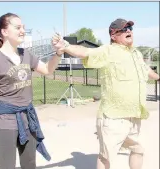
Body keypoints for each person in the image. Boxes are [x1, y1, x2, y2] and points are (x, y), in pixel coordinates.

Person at [52, 18, 160, 169]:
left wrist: (158, 77)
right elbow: (86, 52)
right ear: (113, 35)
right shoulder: (107, 51)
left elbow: (145, 69)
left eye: (130, 28)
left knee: (138, 149)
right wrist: (65, 46)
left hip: (135, 114)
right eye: (124, 29)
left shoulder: (136, 53)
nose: (128, 31)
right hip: (113, 117)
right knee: (106, 158)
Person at [0, 13, 63, 169]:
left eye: (23, 27)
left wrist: (58, 53)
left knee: (29, 165)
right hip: (4, 122)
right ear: (4, 32)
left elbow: (48, 69)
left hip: (28, 120)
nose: (22, 30)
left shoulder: (26, 55)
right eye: (18, 27)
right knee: (6, 166)